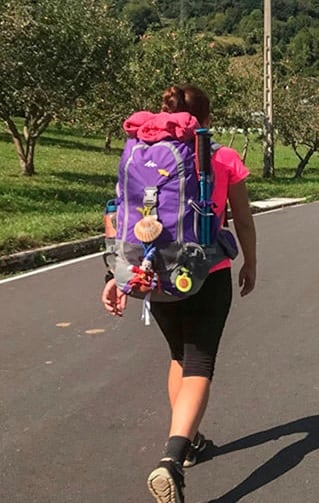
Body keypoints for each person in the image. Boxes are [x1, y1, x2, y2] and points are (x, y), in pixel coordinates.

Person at [101, 84, 257, 503]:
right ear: (205, 120)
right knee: (199, 362)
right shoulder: (222, 157)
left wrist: (114, 276)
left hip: (152, 275)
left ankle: (190, 441)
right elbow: (242, 219)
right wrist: (252, 264)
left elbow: (117, 212)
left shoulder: (139, 155)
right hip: (208, 273)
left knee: (178, 356)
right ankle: (172, 459)